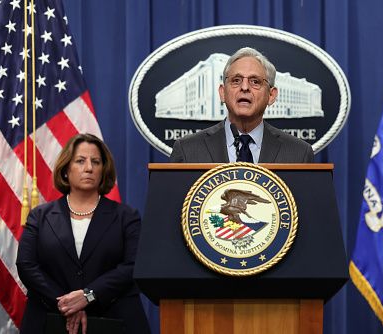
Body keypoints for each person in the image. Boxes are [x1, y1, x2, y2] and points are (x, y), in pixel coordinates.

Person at [16, 133, 150, 334]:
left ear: (103, 170)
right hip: (50, 318)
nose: (89, 168)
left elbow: (133, 266)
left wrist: (88, 295)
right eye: (80, 161)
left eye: (95, 162)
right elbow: (27, 266)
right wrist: (68, 304)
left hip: (113, 318)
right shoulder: (39, 216)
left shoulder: (126, 216)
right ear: (66, 170)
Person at [169, 46, 314, 163]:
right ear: (222, 93)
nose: (244, 87)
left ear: (271, 95)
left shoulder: (299, 154)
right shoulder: (187, 151)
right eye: (236, 80)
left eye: (255, 81)